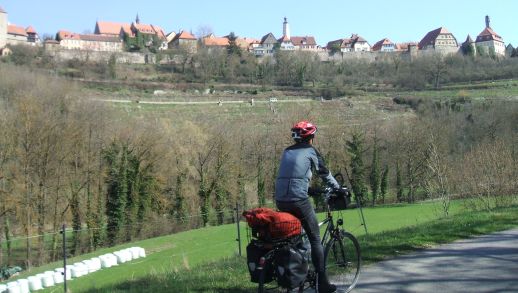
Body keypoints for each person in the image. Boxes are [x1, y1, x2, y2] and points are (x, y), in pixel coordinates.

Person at [275, 120, 342, 293]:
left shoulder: (286, 151)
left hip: (281, 200)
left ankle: (300, 271)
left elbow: (292, 175)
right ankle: (322, 283)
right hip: (298, 200)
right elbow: (324, 173)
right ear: (310, 137)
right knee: (315, 238)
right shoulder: (311, 151)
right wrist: (338, 188)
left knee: (296, 236)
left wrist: (308, 189)